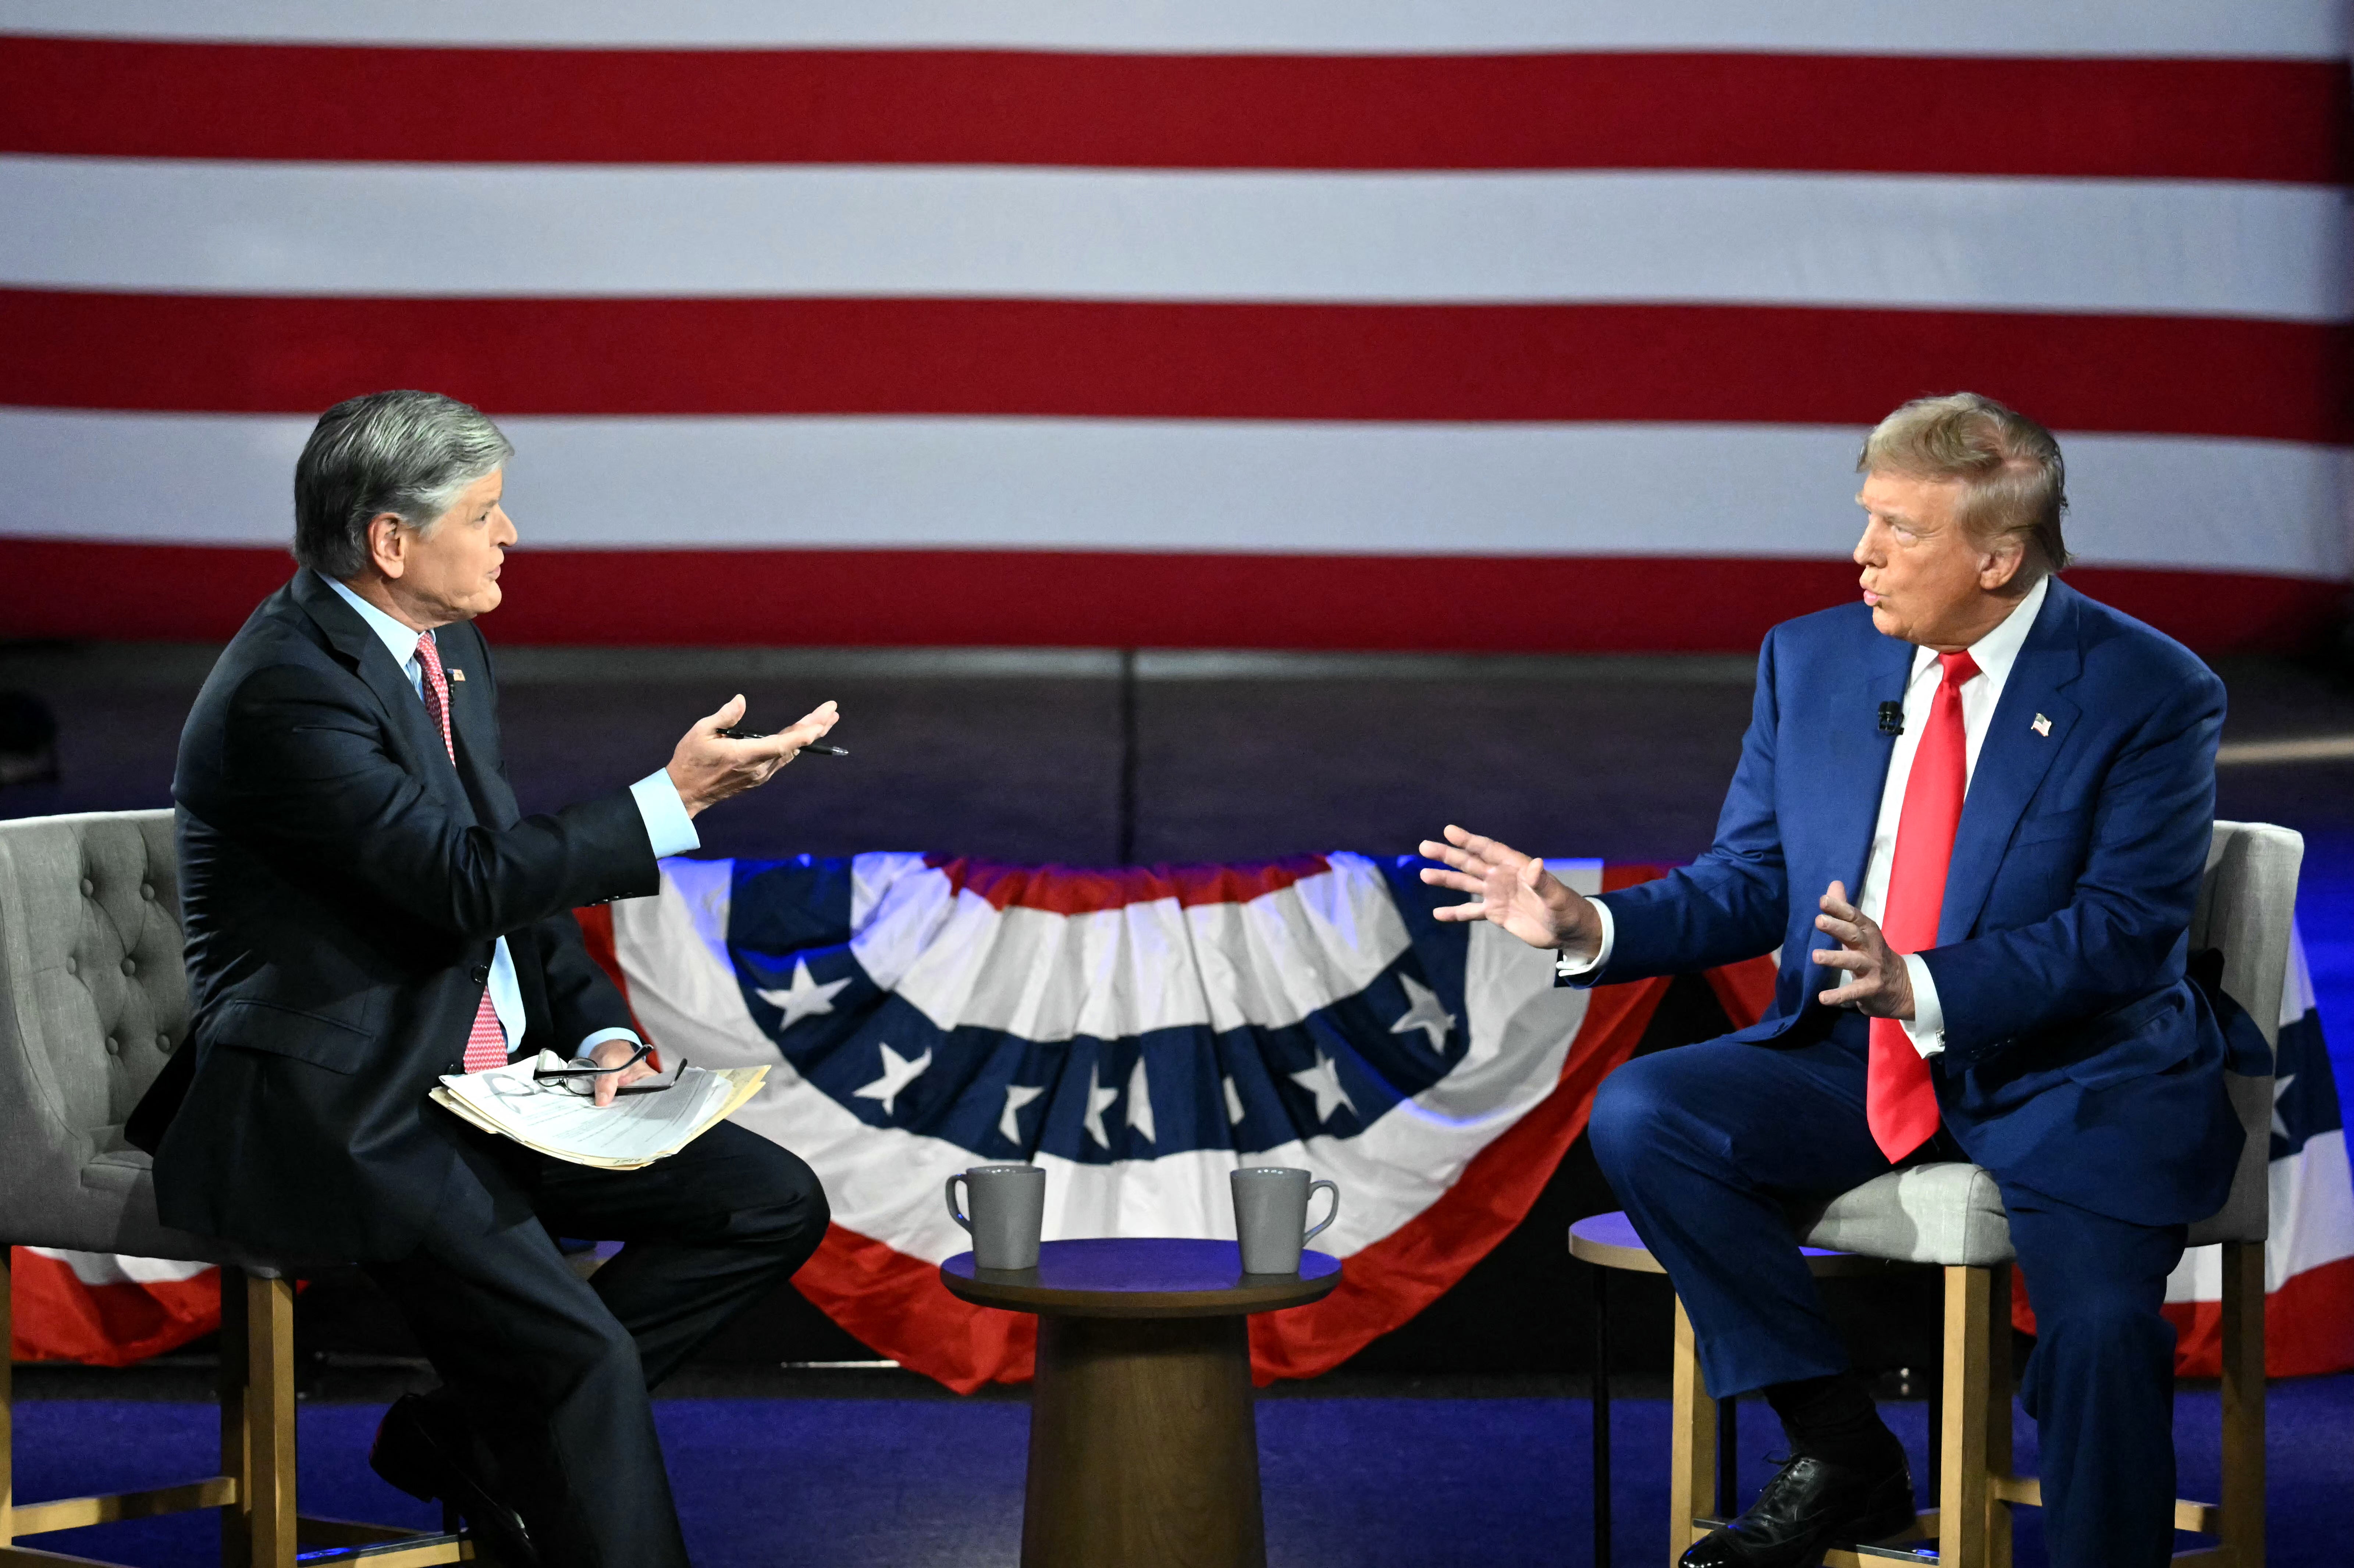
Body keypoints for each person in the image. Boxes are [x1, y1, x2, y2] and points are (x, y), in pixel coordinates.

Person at [1421, 393, 2255, 1568]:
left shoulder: (2147, 690)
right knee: (1654, 1113)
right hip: (1856, 1059)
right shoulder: (1812, 659)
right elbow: (1754, 878)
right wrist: (1589, 919)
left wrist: (1922, 981)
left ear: (1999, 556)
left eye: (1900, 531)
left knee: (2106, 1334)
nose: (1861, 555)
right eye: (1866, 518)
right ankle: (1841, 1449)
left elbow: (2122, 933)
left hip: (2072, 1075)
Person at [129, 389, 840, 1568]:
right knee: (580, 1357)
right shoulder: (286, 689)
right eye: (487, 513)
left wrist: (602, 1033)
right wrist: (670, 803)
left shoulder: (442, 645)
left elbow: (503, 878)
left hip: (483, 1081)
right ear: (391, 542)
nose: (512, 536)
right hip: (351, 1102)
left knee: (765, 1203)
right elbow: (455, 880)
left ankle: (465, 1433)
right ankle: (515, 1431)